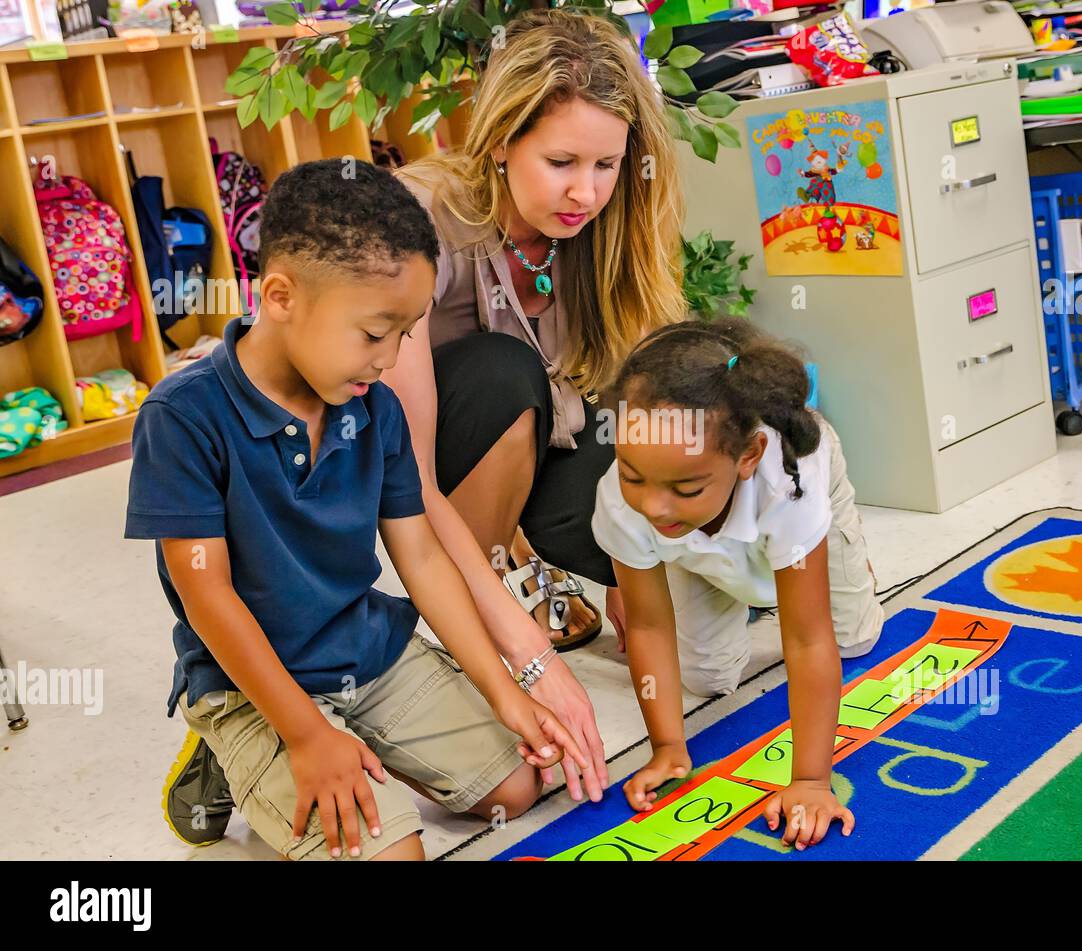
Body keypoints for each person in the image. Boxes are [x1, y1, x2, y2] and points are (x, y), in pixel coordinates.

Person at [132, 160, 585, 859]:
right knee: (394, 855)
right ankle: (231, 749)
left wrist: (505, 690)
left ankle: (356, 736)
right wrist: (308, 736)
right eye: (375, 333)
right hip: (251, 682)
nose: (390, 358)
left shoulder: (376, 409)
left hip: (363, 650)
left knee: (521, 782)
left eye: (405, 334)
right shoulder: (182, 416)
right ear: (279, 295)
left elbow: (425, 559)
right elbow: (207, 595)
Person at [389, 9, 686, 673]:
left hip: (548, 434)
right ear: (498, 142)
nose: (586, 191)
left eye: (607, 164)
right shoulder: (416, 216)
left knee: (695, 567)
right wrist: (514, 655)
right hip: (422, 456)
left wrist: (630, 570)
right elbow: (404, 466)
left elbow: (644, 401)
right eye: (560, 162)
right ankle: (481, 588)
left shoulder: (616, 223)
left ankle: (530, 548)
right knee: (503, 370)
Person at [592, 319, 885, 851]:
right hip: (698, 541)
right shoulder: (624, 497)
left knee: (852, 641)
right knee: (705, 678)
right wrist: (666, 745)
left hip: (795, 517)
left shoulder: (788, 483)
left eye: (684, 486)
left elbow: (807, 639)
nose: (653, 505)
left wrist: (811, 782)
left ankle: (834, 563)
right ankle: (732, 579)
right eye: (634, 476)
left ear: (747, 456)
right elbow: (649, 624)